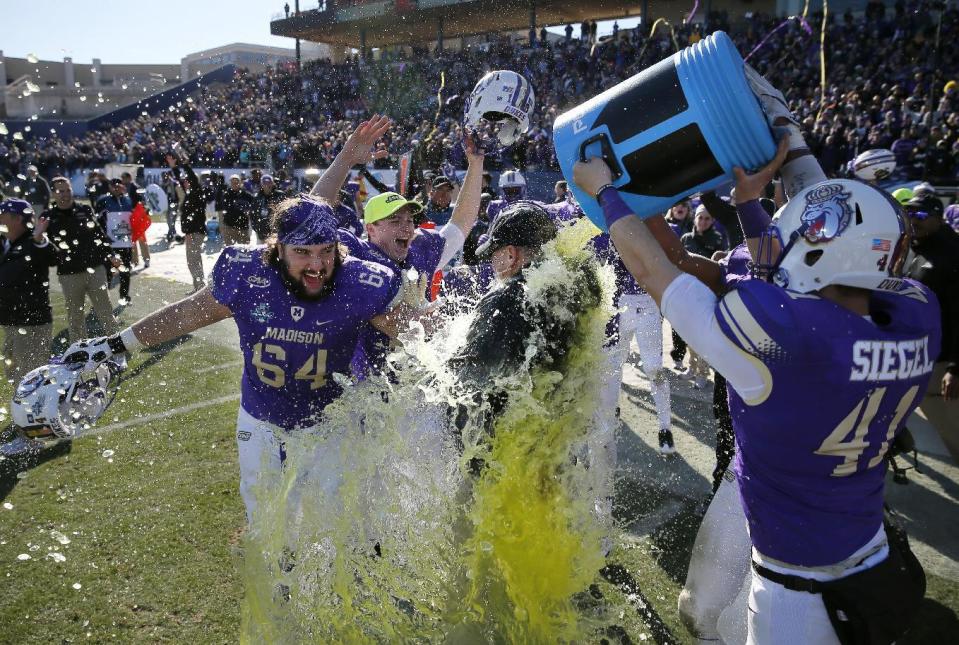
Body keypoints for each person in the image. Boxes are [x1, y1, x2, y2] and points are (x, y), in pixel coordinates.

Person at [574, 137, 937, 645]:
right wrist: (748, 203)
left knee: (710, 622)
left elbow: (656, 269)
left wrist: (607, 193)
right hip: (867, 543)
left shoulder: (784, 342)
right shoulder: (918, 314)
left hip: (798, 587)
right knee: (704, 612)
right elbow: (807, 273)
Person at [62, 195, 421, 522]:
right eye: (303, 252)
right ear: (278, 248)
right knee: (264, 522)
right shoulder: (246, 272)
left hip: (327, 422)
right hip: (260, 417)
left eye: (326, 250)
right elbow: (187, 313)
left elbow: (416, 333)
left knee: (325, 524)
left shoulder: (361, 282)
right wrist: (115, 344)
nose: (318, 264)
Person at [311, 116, 485, 377]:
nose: (406, 227)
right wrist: (344, 160)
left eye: (409, 219)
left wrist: (476, 162)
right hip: (365, 386)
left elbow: (461, 223)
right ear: (370, 229)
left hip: (418, 384)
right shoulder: (354, 252)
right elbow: (311, 220)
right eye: (394, 220)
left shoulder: (421, 248)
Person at [593, 233, 675, 454]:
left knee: (653, 367)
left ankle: (665, 427)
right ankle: (611, 413)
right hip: (618, 304)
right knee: (613, 365)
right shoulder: (606, 229)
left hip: (648, 304)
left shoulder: (651, 225)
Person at [45, 178, 119, 343]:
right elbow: (44, 247)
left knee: (105, 311)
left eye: (68, 190)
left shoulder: (84, 209)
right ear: (53, 194)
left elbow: (98, 233)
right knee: (75, 315)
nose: (65, 194)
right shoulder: (48, 216)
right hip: (69, 273)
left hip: (95, 268)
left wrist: (111, 253)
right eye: (61, 191)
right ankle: (79, 352)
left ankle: (117, 348)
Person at [901, 193, 959, 401]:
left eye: (922, 214)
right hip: (917, 356)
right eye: (910, 212)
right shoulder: (916, 246)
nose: (914, 219)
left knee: (947, 430)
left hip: (941, 362)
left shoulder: (952, 253)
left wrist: (954, 368)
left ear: (939, 218)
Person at [0, 198, 55, 383]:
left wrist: (40, 240)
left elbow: (55, 257)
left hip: (32, 323)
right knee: (13, 375)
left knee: (32, 381)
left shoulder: (34, 241)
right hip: (11, 321)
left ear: (16, 219)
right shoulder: (5, 243)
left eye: (2, 216)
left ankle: (40, 412)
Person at [681, 205, 729, 388]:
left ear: (713, 221)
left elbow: (720, 266)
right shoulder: (685, 238)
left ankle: (702, 372)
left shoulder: (717, 240)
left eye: (707, 219)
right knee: (688, 332)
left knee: (702, 335)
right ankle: (692, 366)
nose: (703, 222)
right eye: (700, 218)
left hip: (706, 293)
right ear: (695, 218)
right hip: (687, 291)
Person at [166, 151, 208, 292]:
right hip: (192, 232)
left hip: (195, 232)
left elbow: (191, 179)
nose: (184, 183)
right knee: (193, 261)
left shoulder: (197, 192)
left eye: (186, 181)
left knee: (193, 261)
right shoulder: (190, 193)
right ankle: (198, 287)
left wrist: (185, 165)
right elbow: (180, 179)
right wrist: (174, 167)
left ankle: (200, 288)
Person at [95, 178, 135, 306]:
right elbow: (97, 222)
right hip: (110, 245)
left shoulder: (128, 200)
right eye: (114, 186)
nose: (116, 188)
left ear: (123, 186)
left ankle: (124, 296)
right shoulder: (103, 201)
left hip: (125, 243)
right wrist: (104, 238)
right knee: (107, 273)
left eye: (119, 186)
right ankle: (103, 299)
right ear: (110, 187)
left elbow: (133, 219)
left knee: (125, 271)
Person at [122, 172, 150, 268]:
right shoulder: (125, 188)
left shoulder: (135, 187)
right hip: (130, 216)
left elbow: (141, 202)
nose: (123, 180)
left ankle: (146, 259)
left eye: (124, 178)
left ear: (129, 178)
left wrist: (137, 211)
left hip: (137, 216)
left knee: (141, 237)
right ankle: (135, 261)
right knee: (132, 239)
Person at [219, 174, 254, 246]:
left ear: (240, 183)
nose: (235, 184)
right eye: (233, 182)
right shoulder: (226, 194)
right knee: (229, 250)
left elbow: (254, 204)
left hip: (243, 226)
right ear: (230, 183)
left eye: (236, 182)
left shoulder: (246, 194)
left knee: (244, 250)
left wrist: (249, 211)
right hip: (229, 226)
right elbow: (225, 209)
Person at [253, 174, 286, 243]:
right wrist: (256, 228)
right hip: (262, 233)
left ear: (273, 183)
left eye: (269, 183)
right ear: (261, 184)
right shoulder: (257, 197)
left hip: (276, 233)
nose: (267, 185)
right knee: (262, 252)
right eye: (265, 183)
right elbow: (253, 214)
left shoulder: (280, 195)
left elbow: (285, 211)